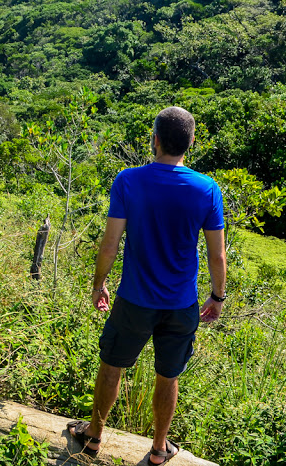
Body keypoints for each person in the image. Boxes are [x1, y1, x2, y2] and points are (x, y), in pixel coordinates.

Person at [67, 106, 226, 465]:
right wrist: (217, 296)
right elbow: (217, 256)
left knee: (112, 364)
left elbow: (109, 245)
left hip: (135, 299)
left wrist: (98, 284)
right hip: (181, 303)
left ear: (154, 140)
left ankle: (93, 436)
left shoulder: (128, 181)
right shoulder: (207, 189)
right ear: (191, 142)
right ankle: (158, 449)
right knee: (168, 375)